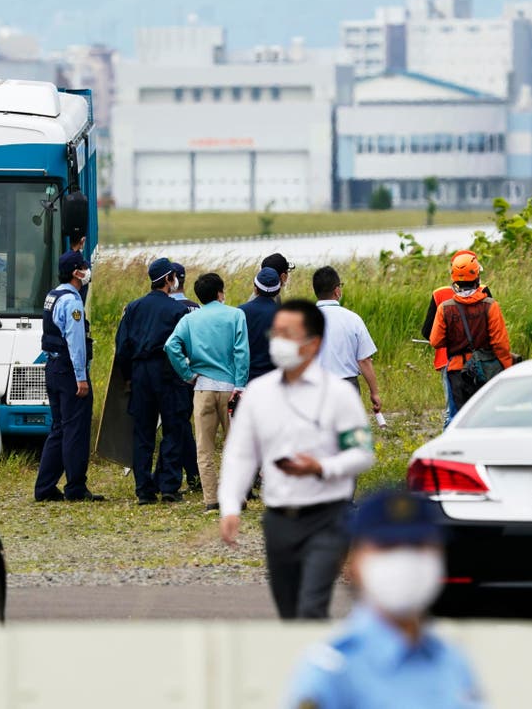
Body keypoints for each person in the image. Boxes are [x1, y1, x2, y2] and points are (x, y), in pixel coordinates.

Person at [219, 299, 375, 619]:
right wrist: (231, 506)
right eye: (275, 333)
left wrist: (322, 468)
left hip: (327, 518)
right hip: (278, 520)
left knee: (311, 607)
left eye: (287, 334)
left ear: (312, 343)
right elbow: (240, 455)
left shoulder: (339, 394)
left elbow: (361, 453)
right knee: (289, 612)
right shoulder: (259, 394)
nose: (278, 341)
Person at [284, 490, 486, 709]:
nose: (406, 560)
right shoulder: (332, 669)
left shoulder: (451, 661)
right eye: (387, 547)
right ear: (353, 564)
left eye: (419, 546)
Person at [164, 272, 249, 513]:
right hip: (231, 389)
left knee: (205, 447)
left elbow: (171, 345)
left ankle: (211, 499)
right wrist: (240, 384)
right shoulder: (236, 315)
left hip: (202, 388)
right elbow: (241, 352)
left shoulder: (190, 319)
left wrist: (187, 374)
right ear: (220, 293)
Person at [114, 258, 191, 505]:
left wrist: (127, 377)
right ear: (170, 279)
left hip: (140, 372)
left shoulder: (133, 308)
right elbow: (183, 347)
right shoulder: (177, 310)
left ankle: (144, 489)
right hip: (168, 371)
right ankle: (169, 486)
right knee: (173, 428)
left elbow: (122, 347)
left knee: (143, 432)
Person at [34, 251, 104, 502]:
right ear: (77, 272)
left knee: (59, 429)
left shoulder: (53, 295)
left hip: (52, 367)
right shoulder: (73, 303)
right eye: (85, 267)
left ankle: (44, 487)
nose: (87, 271)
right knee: (76, 429)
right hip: (68, 370)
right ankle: (75, 487)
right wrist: (81, 376)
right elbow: (76, 342)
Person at [429, 253, 514, 412]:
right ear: (477, 277)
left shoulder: (445, 308)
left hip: (456, 371)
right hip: (485, 369)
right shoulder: (490, 306)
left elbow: (435, 341)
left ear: (454, 279)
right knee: (487, 413)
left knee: (458, 417)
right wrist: (508, 369)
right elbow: (500, 345)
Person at [421, 250, 492, 427]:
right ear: (476, 272)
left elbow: (427, 332)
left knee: (452, 412)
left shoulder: (439, 295)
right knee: (480, 407)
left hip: (448, 361)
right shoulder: (484, 292)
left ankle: (448, 448)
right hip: (479, 359)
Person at [313, 266, 382, 415]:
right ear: (337, 290)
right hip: (347, 386)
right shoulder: (352, 319)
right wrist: (374, 392)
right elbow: (364, 360)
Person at [164, 261, 202, 494]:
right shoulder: (196, 308)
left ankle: (190, 473)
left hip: (170, 374)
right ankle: (192, 473)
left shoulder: (165, 307)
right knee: (182, 423)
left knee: (178, 426)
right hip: (193, 374)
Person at [240, 267, 283, 382]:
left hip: (248, 378)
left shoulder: (241, 312)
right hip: (275, 378)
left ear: (255, 289)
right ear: (278, 291)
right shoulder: (283, 314)